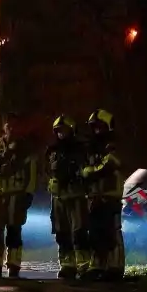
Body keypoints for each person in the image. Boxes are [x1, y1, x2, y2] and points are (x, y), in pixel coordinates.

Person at [0, 113, 38, 278]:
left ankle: (13, 265)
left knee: (14, 230)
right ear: (4, 127)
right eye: (8, 125)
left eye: (14, 125)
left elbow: (33, 172)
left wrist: (29, 193)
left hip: (17, 194)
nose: (11, 128)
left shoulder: (26, 148)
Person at [82, 109, 124, 281]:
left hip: (110, 195)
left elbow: (111, 164)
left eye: (100, 126)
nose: (97, 130)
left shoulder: (115, 144)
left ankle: (115, 267)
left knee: (112, 232)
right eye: (94, 127)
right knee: (95, 232)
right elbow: (84, 169)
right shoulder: (92, 146)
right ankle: (98, 266)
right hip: (94, 195)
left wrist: (91, 172)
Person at [46, 115, 89, 279]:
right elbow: (47, 171)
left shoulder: (80, 149)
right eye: (58, 131)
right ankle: (67, 265)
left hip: (76, 194)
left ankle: (84, 265)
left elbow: (84, 169)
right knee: (61, 232)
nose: (60, 134)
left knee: (79, 231)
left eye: (64, 130)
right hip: (58, 196)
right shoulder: (52, 150)